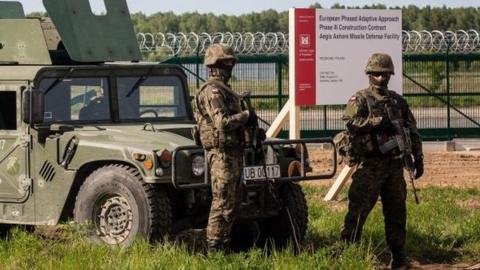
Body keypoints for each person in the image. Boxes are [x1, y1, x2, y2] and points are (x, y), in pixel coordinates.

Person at [340, 53, 424, 269]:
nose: (381, 78)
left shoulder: (398, 101)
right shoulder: (359, 99)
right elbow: (349, 122)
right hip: (370, 166)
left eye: (385, 74)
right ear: (369, 74)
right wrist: (376, 122)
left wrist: (418, 156)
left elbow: (412, 129)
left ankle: (398, 256)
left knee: (396, 214)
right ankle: (348, 254)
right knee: (357, 213)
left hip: (394, 167)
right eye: (376, 74)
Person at [194, 43, 253, 253]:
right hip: (221, 155)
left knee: (232, 203)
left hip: (233, 153)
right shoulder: (213, 91)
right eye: (226, 63)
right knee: (222, 203)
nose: (230, 66)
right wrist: (245, 116)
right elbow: (222, 123)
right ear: (215, 65)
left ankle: (224, 244)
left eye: (232, 62)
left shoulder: (227, 91)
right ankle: (214, 249)